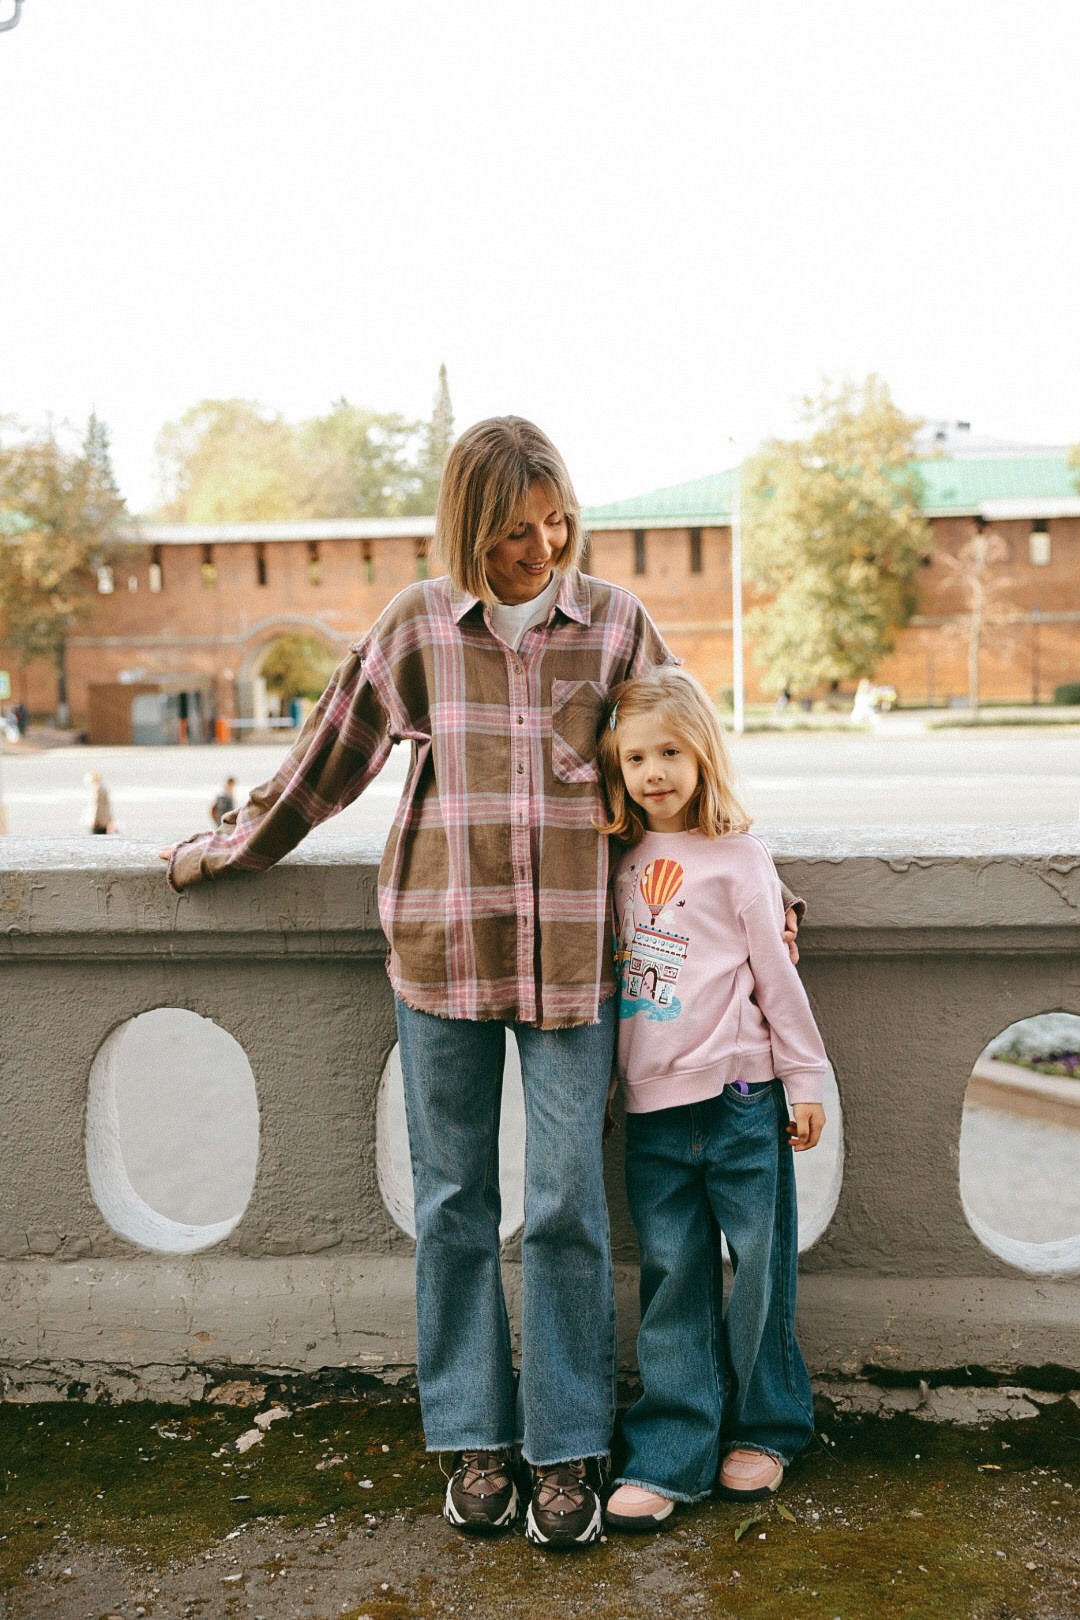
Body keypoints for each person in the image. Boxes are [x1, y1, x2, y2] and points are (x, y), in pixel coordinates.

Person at [161, 416, 679, 1550]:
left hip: (574, 964)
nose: (541, 549)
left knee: (566, 1208)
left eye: (556, 524)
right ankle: (471, 1436)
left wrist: (751, 877)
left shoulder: (619, 626)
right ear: (470, 528)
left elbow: (685, 768)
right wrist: (234, 845)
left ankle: (567, 1444)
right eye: (515, 532)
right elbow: (328, 760)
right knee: (452, 1205)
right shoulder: (417, 628)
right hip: (442, 951)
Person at [596, 666, 827, 1532]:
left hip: (738, 1100)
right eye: (634, 759)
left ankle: (768, 1428)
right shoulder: (616, 860)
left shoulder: (740, 860)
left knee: (761, 1269)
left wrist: (804, 1081)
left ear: (702, 754)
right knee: (673, 1278)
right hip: (653, 1111)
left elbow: (777, 977)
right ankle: (670, 1450)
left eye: (669, 753)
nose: (652, 772)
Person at [83, 770, 116, 835]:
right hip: (104, 821)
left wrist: (95, 820)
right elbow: (107, 807)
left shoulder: (97, 790)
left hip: (98, 822)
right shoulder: (103, 789)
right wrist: (109, 820)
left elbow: (96, 807)